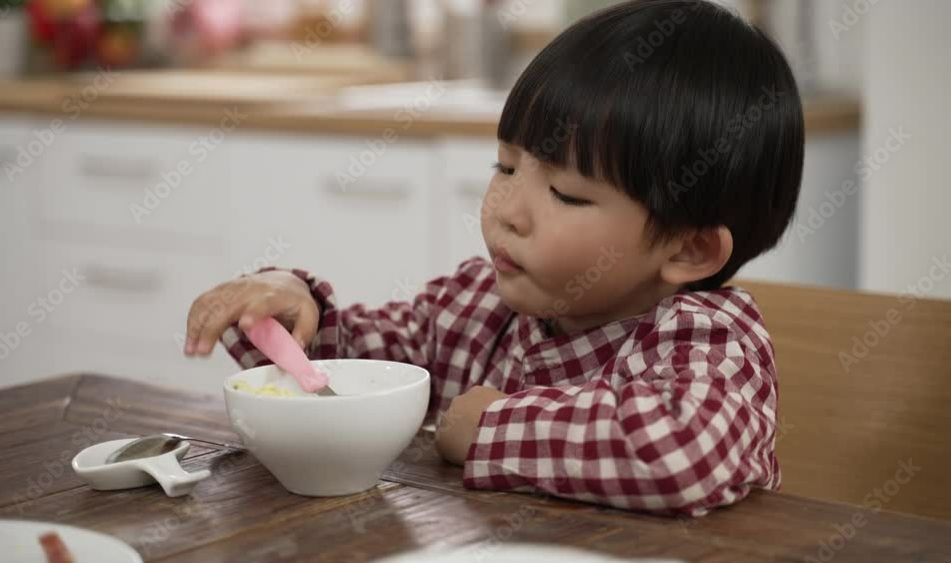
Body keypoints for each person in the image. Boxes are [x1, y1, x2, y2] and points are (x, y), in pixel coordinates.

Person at [184, 0, 803, 516]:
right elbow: (353, 375)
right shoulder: (478, 303)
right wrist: (294, 306)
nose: (506, 209)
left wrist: (494, 427)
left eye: (564, 192)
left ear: (689, 248)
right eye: (504, 166)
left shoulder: (708, 337)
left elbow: (684, 452)